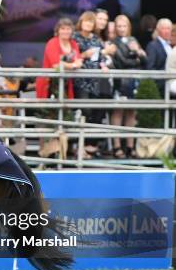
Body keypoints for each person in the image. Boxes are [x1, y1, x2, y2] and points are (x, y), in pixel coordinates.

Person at [73, 11, 109, 157]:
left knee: (97, 111)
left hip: (95, 81)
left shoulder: (96, 39)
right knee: (85, 110)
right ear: (81, 22)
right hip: (81, 81)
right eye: (86, 21)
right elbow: (72, 57)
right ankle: (78, 143)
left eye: (91, 22)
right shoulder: (74, 38)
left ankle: (89, 144)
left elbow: (101, 57)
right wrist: (83, 55)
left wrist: (103, 64)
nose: (88, 24)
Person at [111, 15, 146, 159]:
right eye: (119, 26)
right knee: (118, 112)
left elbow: (145, 60)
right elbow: (122, 62)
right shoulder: (113, 42)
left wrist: (138, 52)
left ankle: (130, 146)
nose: (121, 29)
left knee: (131, 113)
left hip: (133, 81)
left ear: (128, 27)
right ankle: (117, 146)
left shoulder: (134, 40)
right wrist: (136, 57)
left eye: (124, 26)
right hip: (120, 82)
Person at [36, 18, 82, 99]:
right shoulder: (52, 43)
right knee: (49, 110)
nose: (66, 31)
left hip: (66, 83)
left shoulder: (73, 43)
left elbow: (79, 61)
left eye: (68, 29)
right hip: (49, 83)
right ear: (58, 30)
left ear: (72, 31)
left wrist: (68, 65)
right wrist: (73, 65)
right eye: (63, 29)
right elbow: (56, 65)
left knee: (66, 109)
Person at [146, 18, 173, 93]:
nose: (167, 31)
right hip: (162, 84)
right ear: (158, 30)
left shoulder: (170, 46)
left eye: (169, 28)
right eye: (164, 28)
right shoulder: (153, 46)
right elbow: (150, 68)